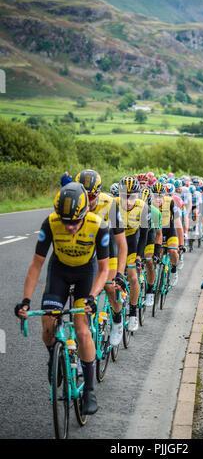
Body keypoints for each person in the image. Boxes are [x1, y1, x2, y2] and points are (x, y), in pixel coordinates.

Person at [15, 182, 110, 415]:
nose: (69, 227)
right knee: (48, 322)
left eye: (75, 222)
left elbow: (104, 269)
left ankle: (89, 389)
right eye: (66, 222)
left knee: (82, 330)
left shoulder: (99, 226)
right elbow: (37, 264)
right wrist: (26, 300)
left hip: (85, 275)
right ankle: (53, 356)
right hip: (59, 272)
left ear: (86, 212)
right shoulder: (50, 223)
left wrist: (92, 296)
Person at [75, 169, 127, 347]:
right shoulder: (75, 202)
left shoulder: (109, 203)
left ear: (98, 193)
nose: (87, 201)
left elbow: (122, 243)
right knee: (83, 295)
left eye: (91, 196)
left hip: (108, 248)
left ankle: (118, 320)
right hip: (87, 251)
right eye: (84, 196)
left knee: (110, 287)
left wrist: (120, 273)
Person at [115, 175, 150, 332]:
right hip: (115, 244)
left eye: (132, 197)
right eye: (124, 197)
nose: (128, 201)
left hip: (132, 243)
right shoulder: (113, 205)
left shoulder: (143, 207)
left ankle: (133, 313)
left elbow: (144, 235)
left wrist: (139, 257)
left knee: (133, 276)